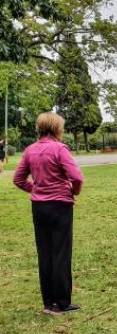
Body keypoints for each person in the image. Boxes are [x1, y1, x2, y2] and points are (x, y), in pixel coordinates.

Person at [13, 112, 83, 315]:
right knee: (60, 252)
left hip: (39, 207)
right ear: (56, 128)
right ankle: (61, 303)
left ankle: (48, 302)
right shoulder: (59, 149)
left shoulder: (30, 150)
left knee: (45, 253)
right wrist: (72, 192)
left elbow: (18, 179)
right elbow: (77, 177)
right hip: (60, 205)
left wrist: (35, 189)